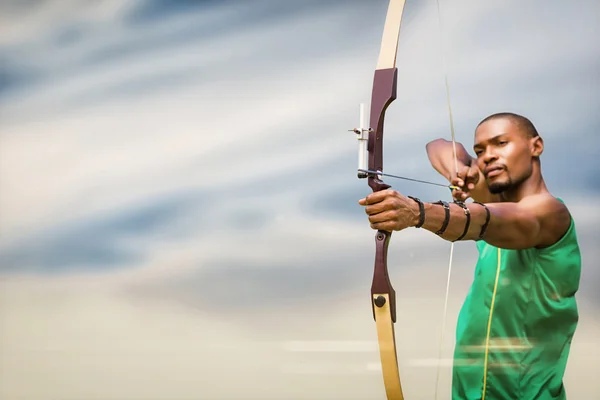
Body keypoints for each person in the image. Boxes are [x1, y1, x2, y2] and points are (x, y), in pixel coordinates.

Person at [358, 112, 581, 399]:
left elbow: (484, 219)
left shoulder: (551, 213)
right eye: (480, 150)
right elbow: (437, 145)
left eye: (501, 143)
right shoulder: (493, 199)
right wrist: (457, 171)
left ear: (535, 146)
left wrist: (417, 212)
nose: (487, 156)